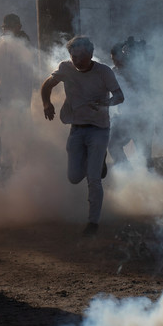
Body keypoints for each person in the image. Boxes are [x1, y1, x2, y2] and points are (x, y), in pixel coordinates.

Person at [40, 36, 124, 237]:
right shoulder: (65, 68)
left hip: (99, 129)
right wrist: (46, 103)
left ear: (91, 55)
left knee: (93, 179)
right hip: (76, 128)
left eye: (81, 56)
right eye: (73, 56)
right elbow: (47, 85)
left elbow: (119, 96)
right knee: (74, 177)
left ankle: (92, 223)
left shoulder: (104, 72)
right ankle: (97, 158)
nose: (76, 60)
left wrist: (105, 104)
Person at [0, 13, 36, 182]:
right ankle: (7, 165)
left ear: (18, 27)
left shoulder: (15, 44)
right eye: (7, 28)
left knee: (8, 131)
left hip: (11, 97)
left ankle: (9, 168)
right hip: (7, 95)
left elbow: (6, 73)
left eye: (10, 27)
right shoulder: (8, 43)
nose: (8, 31)